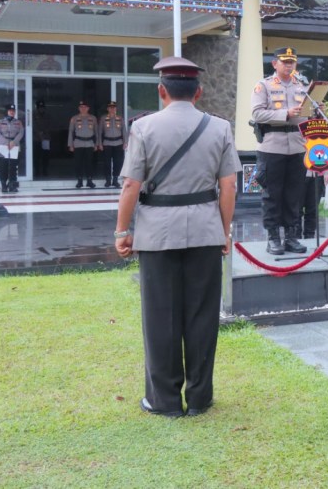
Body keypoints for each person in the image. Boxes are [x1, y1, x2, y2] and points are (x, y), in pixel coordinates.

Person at [114, 56, 240, 418]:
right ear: (198, 92)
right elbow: (229, 185)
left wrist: (123, 231)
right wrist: (224, 230)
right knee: (202, 316)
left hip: (157, 233)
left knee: (160, 316)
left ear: (161, 91)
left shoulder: (144, 127)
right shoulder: (219, 127)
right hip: (205, 230)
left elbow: (131, 186)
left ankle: (164, 400)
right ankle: (200, 398)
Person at [252, 46, 308, 255]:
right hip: (272, 146)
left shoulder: (302, 87)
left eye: (292, 61)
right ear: (274, 63)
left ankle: (291, 237)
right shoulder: (263, 86)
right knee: (272, 194)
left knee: (294, 194)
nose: (288, 65)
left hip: (297, 146)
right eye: (284, 61)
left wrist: (315, 109)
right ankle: (273, 237)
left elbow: (306, 116)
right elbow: (258, 114)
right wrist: (285, 113)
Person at [68, 101, 99, 188]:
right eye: (81, 107)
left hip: (89, 143)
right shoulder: (74, 118)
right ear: (79, 108)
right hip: (78, 143)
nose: (83, 108)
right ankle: (79, 180)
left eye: (85, 107)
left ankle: (89, 180)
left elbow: (96, 132)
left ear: (88, 108)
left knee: (89, 163)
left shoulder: (93, 118)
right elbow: (71, 132)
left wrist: (96, 144)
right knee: (78, 163)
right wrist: (70, 144)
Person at [0, 103, 24, 193]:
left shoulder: (18, 122)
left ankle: (12, 185)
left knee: (13, 166)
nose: (12, 112)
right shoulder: (0, 122)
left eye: (13, 111)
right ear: (6, 111)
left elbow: (21, 133)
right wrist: (7, 142)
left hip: (14, 146)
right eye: (10, 111)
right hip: (3, 145)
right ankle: (3, 185)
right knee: (3, 166)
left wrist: (14, 142)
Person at [100, 101, 127, 188]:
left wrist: (125, 142)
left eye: (114, 107)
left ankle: (115, 179)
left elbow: (124, 131)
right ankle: (108, 180)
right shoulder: (103, 119)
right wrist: (99, 143)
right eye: (110, 107)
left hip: (118, 143)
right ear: (108, 109)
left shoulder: (120, 118)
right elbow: (99, 132)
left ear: (116, 109)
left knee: (118, 162)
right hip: (107, 143)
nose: (112, 109)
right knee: (107, 162)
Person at [32, 100, 51, 178]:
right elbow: (32, 125)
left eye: (42, 107)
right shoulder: (33, 114)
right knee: (36, 155)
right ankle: (37, 171)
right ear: (37, 108)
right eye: (40, 107)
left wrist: (44, 133)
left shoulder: (48, 115)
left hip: (46, 138)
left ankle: (45, 170)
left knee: (45, 155)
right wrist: (39, 133)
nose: (41, 109)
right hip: (36, 138)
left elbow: (50, 124)